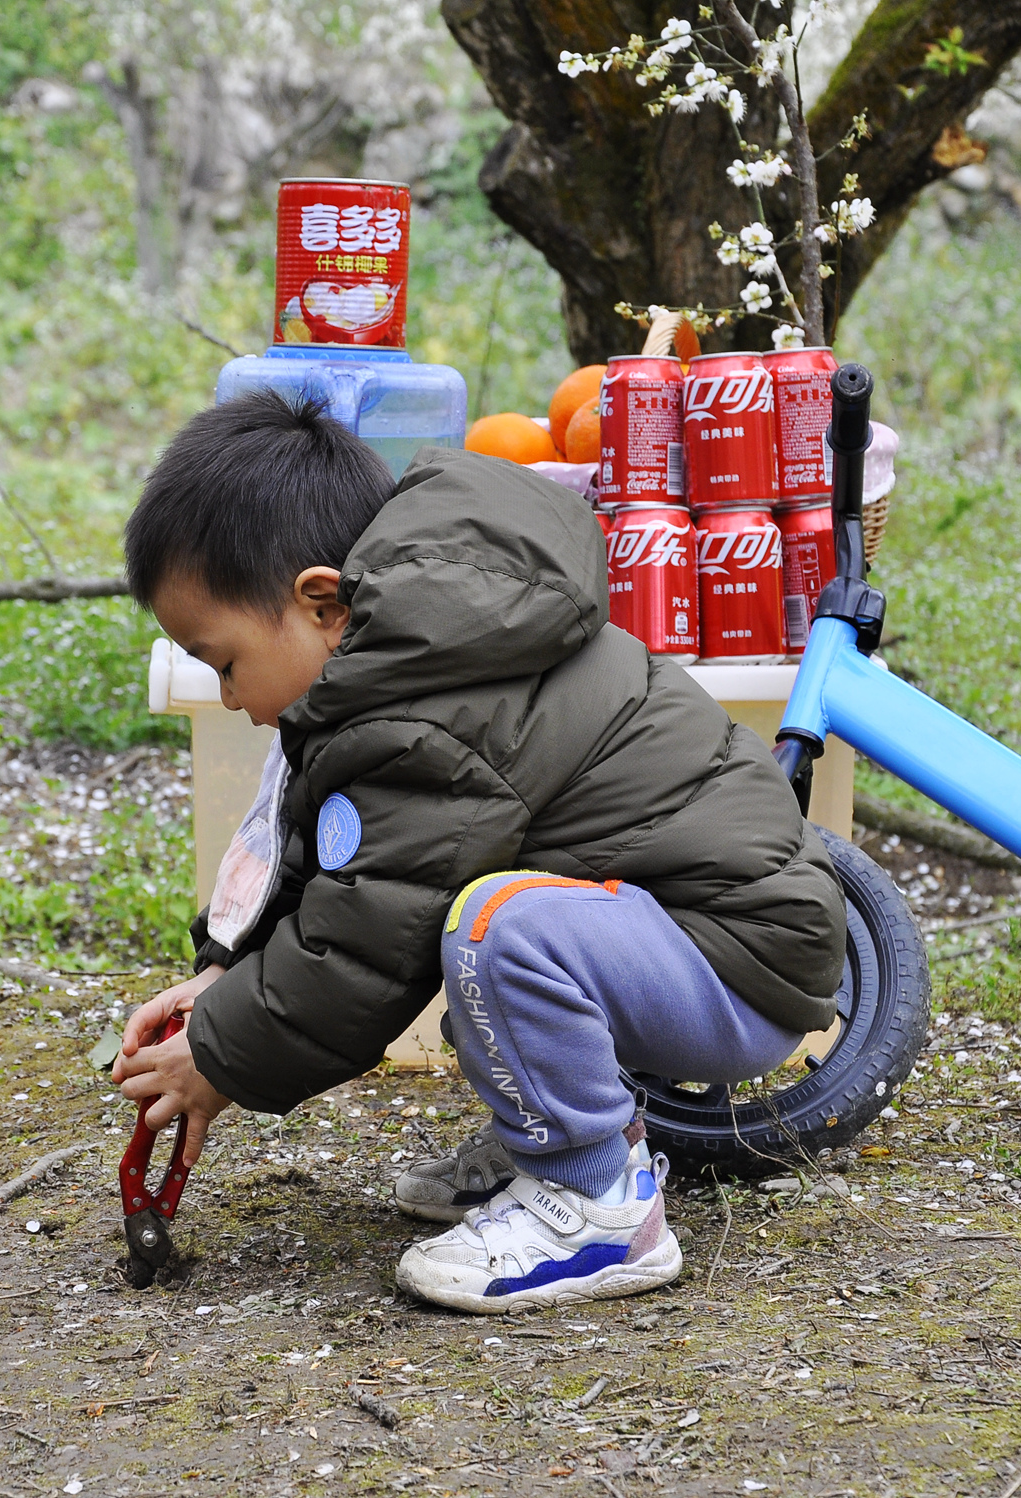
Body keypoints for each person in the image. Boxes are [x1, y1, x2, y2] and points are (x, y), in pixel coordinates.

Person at [112, 391, 845, 1314]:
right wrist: (228, 974)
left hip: (734, 962)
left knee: (496, 930)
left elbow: (365, 949)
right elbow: (344, 874)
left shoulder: (430, 714)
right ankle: (548, 1124)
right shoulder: (415, 664)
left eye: (223, 662)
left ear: (321, 603)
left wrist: (216, 1058)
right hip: (677, 938)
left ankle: (596, 1199)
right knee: (488, 931)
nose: (225, 696)